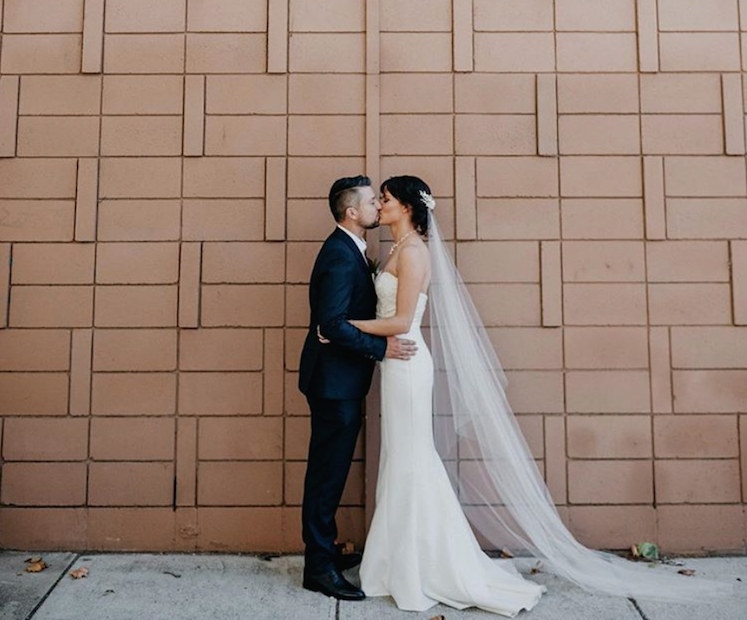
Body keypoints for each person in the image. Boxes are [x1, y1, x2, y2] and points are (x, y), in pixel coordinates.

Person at [344, 175, 739, 616]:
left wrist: (344, 326)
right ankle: (396, 562)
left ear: (409, 208)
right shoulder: (395, 249)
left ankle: (428, 565)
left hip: (409, 365)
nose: (381, 204)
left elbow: (400, 322)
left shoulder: (415, 252)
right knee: (401, 459)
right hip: (394, 367)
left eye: (388, 198)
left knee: (414, 460)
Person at [298, 175, 418, 602]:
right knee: (327, 475)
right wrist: (380, 347)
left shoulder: (354, 250)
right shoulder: (338, 255)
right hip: (333, 384)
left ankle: (325, 550)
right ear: (352, 212)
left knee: (331, 470)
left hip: (343, 379)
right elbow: (330, 324)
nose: (376, 207)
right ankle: (318, 568)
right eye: (371, 201)